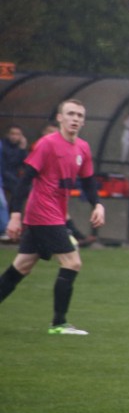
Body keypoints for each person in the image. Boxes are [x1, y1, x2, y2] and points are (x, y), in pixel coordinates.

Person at [0, 99, 106, 335]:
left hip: (54, 214)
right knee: (72, 262)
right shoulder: (46, 145)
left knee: (22, 266)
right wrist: (15, 215)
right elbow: (25, 180)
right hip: (43, 214)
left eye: (80, 115)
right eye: (70, 114)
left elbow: (88, 182)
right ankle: (59, 324)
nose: (75, 118)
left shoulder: (83, 148)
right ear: (60, 118)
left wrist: (97, 205)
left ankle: (58, 323)